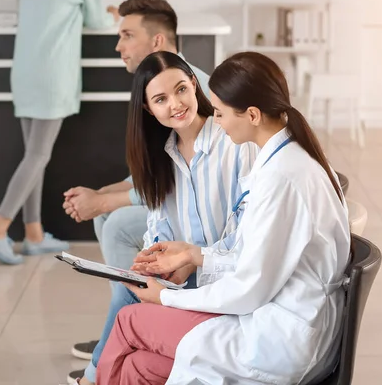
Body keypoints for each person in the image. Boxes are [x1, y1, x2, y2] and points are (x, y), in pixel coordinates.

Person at [96, 51, 351, 385]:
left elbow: (250, 286)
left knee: (129, 320)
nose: (216, 121)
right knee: (136, 367)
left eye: (219, 112)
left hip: (278, 335)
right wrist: (192, 255)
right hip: (269, 317)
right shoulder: (280, 163)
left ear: (253, 115)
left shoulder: (281, 176)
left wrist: (167, 296)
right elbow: (252, 257)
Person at [71, 51, 259, 385]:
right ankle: (95, 378)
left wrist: (191, 259)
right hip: (188, 284)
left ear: (194, 85)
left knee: (127, 308)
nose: (176, 104)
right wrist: (155, 257)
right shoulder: (161, 158)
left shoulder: (232, 142)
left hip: (225, 289)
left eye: (181, 89)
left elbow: (248, 234)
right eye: (161, 99)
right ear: (147, 109)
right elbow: (158, 229)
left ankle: (91, 379)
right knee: (131, 292)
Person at [63, 0, 213, 370]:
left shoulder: (189, 95)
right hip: (176, 204)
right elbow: (153, 174)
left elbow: (183, 184)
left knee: (115, 224)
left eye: (127, 35)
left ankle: (116, 339)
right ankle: (123, 323)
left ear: (158, 42)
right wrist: (100, 197)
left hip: (200, 220)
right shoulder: (157, 92)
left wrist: (105, 203)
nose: (119, 46)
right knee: (107, 219)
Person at [0, 0, 120, 265]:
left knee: (34, 156)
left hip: (25, 71)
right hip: (51, 73)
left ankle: (34, 234)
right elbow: (97, 20)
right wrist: (112, 15)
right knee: (38, 155)